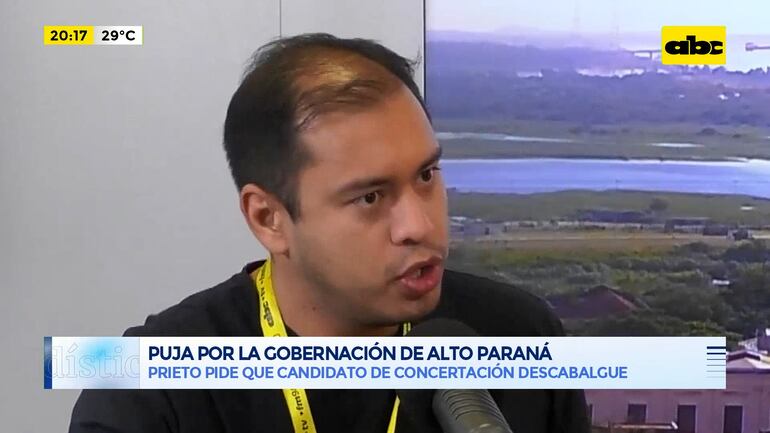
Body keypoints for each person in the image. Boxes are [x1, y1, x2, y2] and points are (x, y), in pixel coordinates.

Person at [69, 33, 590, 433]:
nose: (419, 225)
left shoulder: (520, 333)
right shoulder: (147, 389)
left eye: (427, 175)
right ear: (268, 219)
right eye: (370, 198)